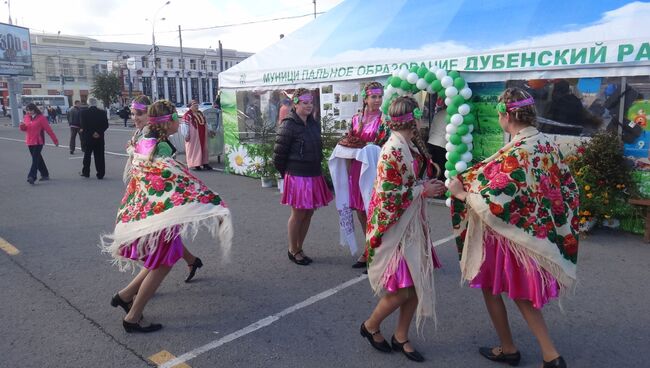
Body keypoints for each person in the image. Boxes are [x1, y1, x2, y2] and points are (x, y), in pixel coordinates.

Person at [449, 87, 580, 368]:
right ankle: (548, 354)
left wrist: (461, 194)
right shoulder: (545, 143)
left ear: (506, 115)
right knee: (518, 291)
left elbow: (495, 199)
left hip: (510, 234)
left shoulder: (519, 151)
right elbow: (567, 187)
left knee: (492, 285)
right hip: (532, 231)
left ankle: (512, 348)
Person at [102, 99, 233, 333]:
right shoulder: (160, 147)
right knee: (162, 264)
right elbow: (180, 182)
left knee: (158, 261)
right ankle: (133, 317)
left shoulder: (144, 139)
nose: (179, 122)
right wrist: (213, 204)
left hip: (151, 210)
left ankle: (125, 295)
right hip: (161, 215)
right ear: (167, 122)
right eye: (176, 118)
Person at [361, 96, 445, 363]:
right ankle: (370, 325)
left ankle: (401, 335)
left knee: (416, 284)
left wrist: (425, 183)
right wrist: (424, 188)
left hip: (410, 223)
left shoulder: (405, 144)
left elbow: (406, 183)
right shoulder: (393, 149)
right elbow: (387, 195)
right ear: (414, 119)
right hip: (398, 228)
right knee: (403, 289)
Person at [125, 95, 206, 283]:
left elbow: (163, 172)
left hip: (157, 200)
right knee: (163, 242)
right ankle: (191, 261)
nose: (135, 118)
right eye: (133, 114)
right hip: (146, 195)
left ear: (150, 115)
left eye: (139, 113)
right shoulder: (143, 134)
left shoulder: (153, 138)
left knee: (161, 244)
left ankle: (135, 292)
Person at [328, 82, 387, 268]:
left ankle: (380, 251)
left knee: (374, 210)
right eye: (373, 97)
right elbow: (349, 142)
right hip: (356, 169)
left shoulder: (384, 120)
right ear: (366, 98)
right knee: (361, 211)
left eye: (379, 96)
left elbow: (386, 146)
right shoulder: (355, 119)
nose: (377, 100)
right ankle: (369, 248)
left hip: (375, 170)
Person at [273, 88, 333, 265]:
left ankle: (300, 246)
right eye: (305, 102)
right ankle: (293, 249)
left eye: (311, 102)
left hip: (313, 174)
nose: (309, 105)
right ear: (296, 103)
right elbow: (278, 156)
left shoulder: (313, 123)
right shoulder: (288, 124)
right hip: (298, 176)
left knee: (309, 213)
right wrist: (289, 175)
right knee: (298, 214)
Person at [19, 103, 59, 184]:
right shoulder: (26, 117)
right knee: (38, 159)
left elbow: (49, 130)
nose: (28, 112)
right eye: (27, 110)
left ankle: (32, 176)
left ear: (34, 109)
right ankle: (45, 174)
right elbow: (25, 129)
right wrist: (22, 126)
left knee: (35, 160)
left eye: (30, 110)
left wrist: (55, 140)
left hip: (38, 142)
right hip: (29, 142)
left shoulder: (41, 118)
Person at [80, 98, 109, 179]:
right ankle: (100, 174)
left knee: (87, 155)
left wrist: (92, 133)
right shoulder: (102, 112)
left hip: (88, 138)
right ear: (96, 103)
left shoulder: (84, 113)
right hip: (99, 138)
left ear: (88, 103)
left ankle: (86, 172)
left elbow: (84, 125)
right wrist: (98, 132)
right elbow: (106, 125)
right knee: (99, 156)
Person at [183, 99, 213, 171]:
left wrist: (209, 130)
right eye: (194, 105)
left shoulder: (200, 113)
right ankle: (196, 164)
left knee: (204, 149)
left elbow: (205, 123)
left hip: (202, 133)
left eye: (197, 105)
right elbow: (185, 125)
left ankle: (205, 163)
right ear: (190, 106)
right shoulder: (187, 115)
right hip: (194, 135)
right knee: (195, 149)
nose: (196, 106)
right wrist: (186, 134)